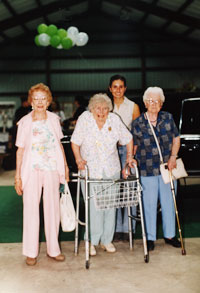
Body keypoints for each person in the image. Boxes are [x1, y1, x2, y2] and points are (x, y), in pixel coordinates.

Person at [71, 93, 136, 256]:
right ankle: (91, 241)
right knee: (94, 208)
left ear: (110, 109)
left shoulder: (114, 119)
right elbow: (75, 141)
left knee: (110, 206)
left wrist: (129, 157)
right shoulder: (85, 119)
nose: (101, 111)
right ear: (92, 109)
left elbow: (128, 138)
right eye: (98, 108)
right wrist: (78, 159)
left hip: (111, 169)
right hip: (91, 169)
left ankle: (107, 240)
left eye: (105, 108)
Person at [14, 83, 69, 266]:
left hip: (51, 169)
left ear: (48, 101)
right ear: (30, 101)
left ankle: (54, 250)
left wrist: (65, 168)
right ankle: (31, 251)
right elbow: (20, 151)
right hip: (31, 170)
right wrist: (17, 177)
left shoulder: (54, 119)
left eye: (43, 99)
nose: (39, 102)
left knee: (52, 210)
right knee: (30, 210)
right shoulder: (24, 122)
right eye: (35, 99)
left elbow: (60, 145)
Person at [131, 86, 181, 251]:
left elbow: (176, 138)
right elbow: (134, 146)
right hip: (147, 169)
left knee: (169, 202)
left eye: (157, 101)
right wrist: (130, 160)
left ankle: (170, 235)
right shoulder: (138, 123)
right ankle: (150, 237)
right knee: (149, 204)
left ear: (161, 103)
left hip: (168, 167)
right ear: (145, 103)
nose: (153, 104)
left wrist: (173, 157)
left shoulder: (168, 118)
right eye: (150, 101)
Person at [108, 74, 140, 242]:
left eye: (121, 86)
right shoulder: (105, 106)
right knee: (114, 191)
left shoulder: (133, 106)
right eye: (115, 86)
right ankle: (115, 229)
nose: (118, 90)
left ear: (125, 89)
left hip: (127, 152)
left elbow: (136, 133)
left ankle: (128, 229)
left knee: (129, 190)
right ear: (110, 89)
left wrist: (130, 156)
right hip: (111, 153)